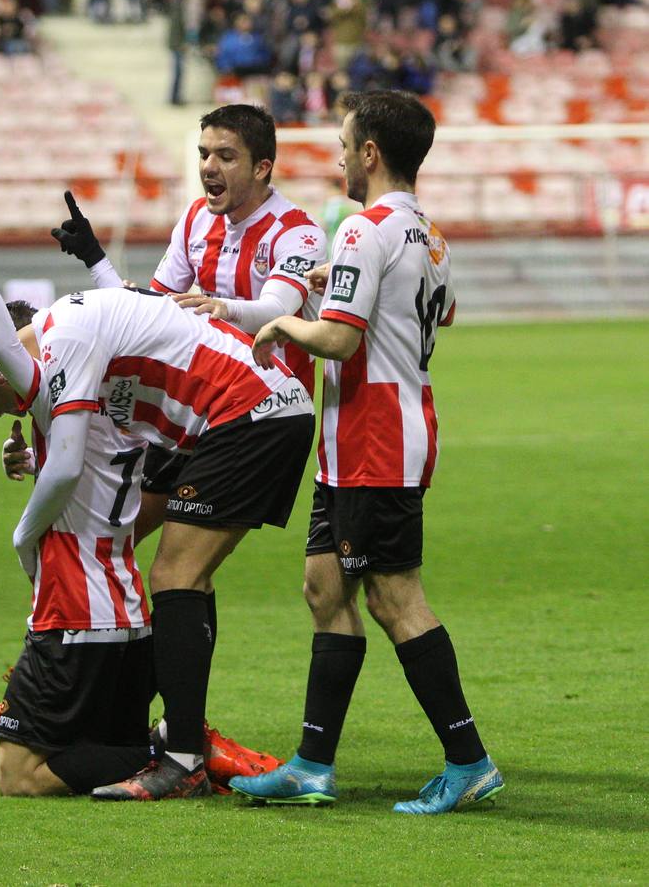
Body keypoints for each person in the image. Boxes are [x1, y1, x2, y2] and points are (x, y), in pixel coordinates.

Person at [0, 169, 316, 801]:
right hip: (227, 418)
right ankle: (168, 725)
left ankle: (182, 752)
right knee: (156, 558)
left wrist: (24, 536)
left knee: (174, 575)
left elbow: (67, 461)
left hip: (247, 411)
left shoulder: (64, 342)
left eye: (3, 406)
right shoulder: (77, 334)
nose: (18, 413)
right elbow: (93, 450)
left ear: (2, 376)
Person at [230, 90, 504, 814]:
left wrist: (282, 325)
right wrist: (343, 286)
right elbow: (431, 310)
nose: (340, 160)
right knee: (325, 588)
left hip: (374, 436)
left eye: (345, 147)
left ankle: (469, 760)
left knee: (393, 597)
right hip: (372, 432)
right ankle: (312, 766)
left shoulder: (362, 228)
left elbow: (340, 339)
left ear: (371, 153)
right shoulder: (428, 234)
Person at [47, 104, 327, 709]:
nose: (208, 167)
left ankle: (162, 727)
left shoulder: (298, 232)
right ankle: (102, 700)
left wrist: (221, 308)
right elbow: (148, 310)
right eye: (204, 154)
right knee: (108, 539)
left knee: (177, 570)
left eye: (225, 156)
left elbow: (276, 310)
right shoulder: (196, 220)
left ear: (262, 166)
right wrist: (96, 260)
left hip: (253, 416)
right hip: (185, 417)